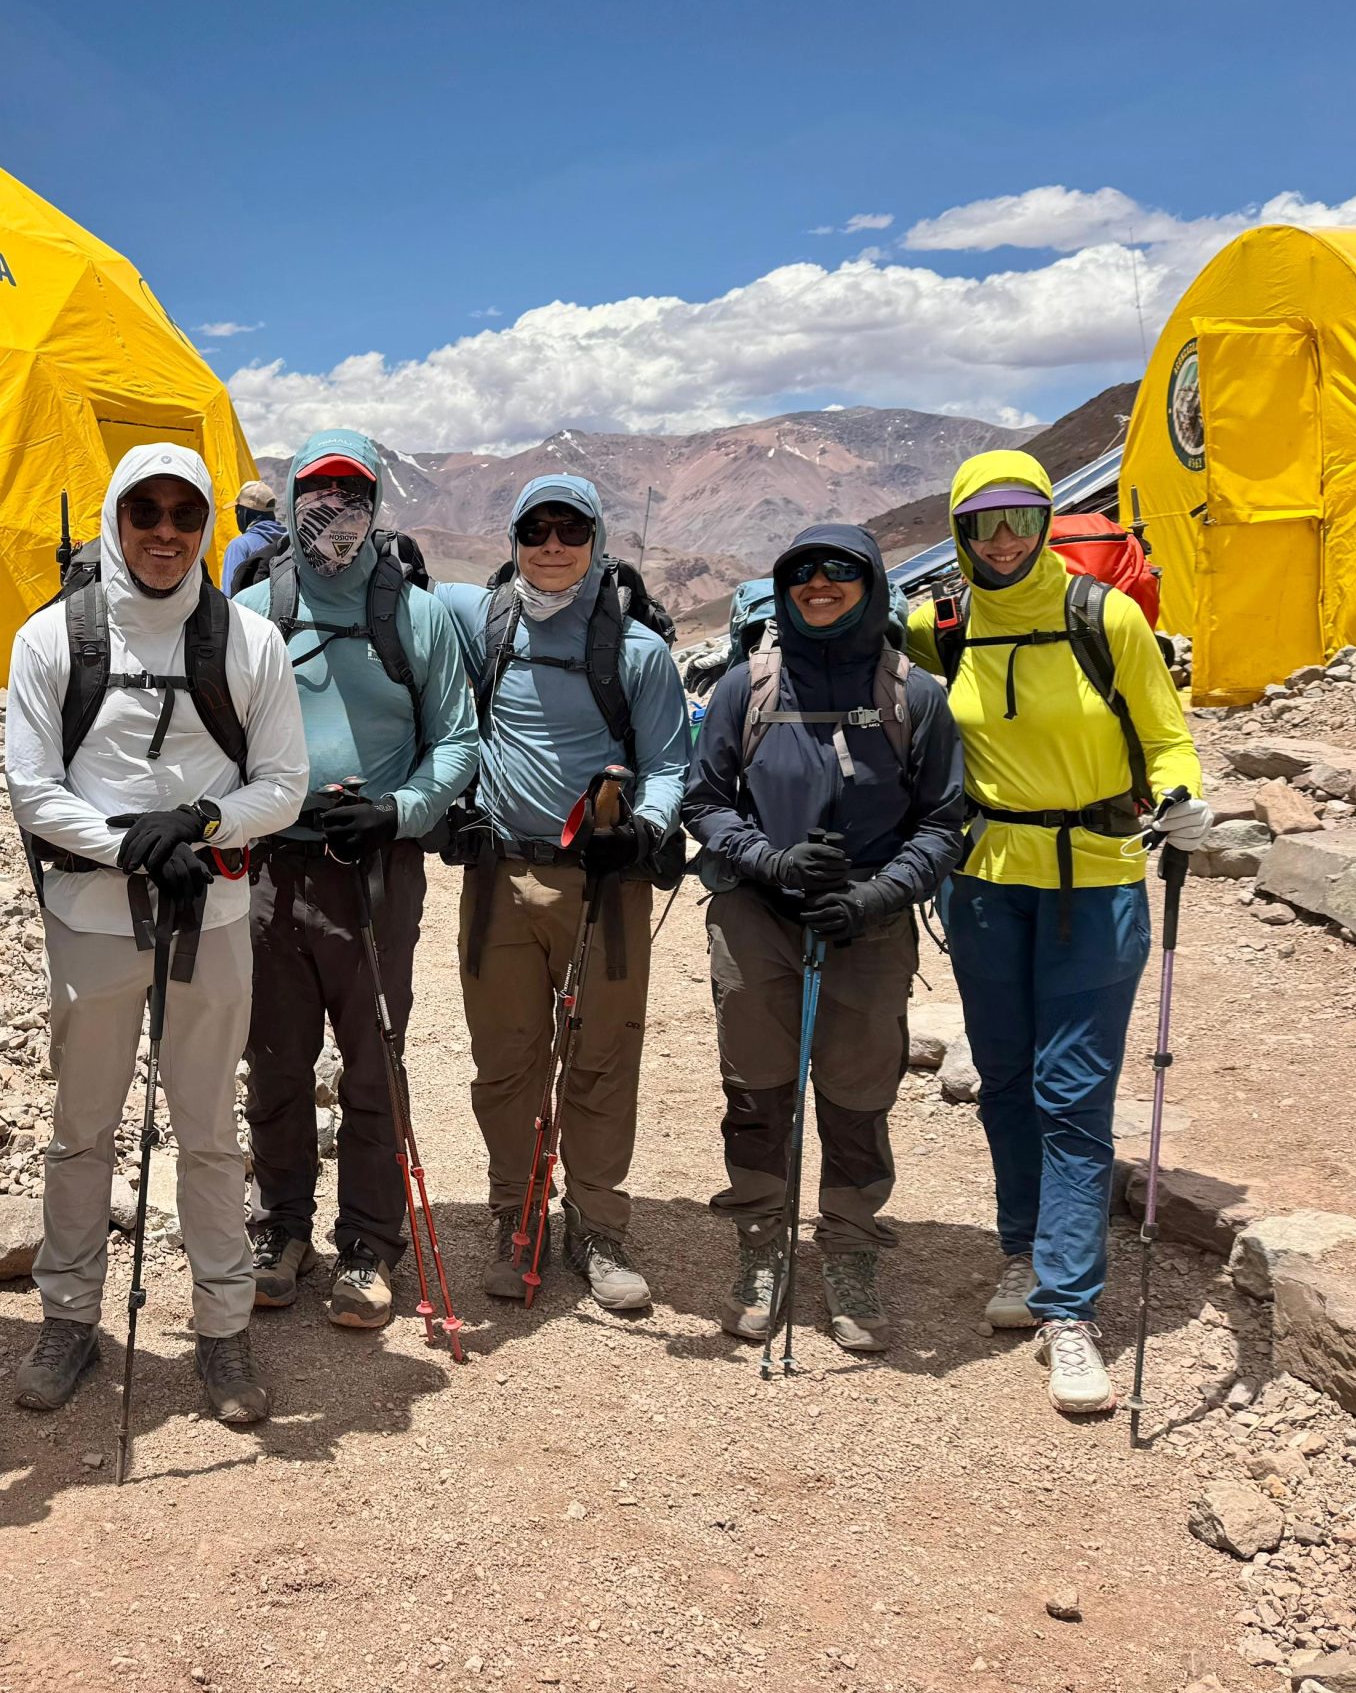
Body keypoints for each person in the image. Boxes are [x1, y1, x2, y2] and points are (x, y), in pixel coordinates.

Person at [3, 445, 308, 1421]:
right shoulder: (51, 639)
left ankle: (223, 1331)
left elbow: (284, 786)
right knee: (81, 1128)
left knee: (210, 1132)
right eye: (147, 512)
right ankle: (68, 1319)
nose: (165, 532)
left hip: (210, 915)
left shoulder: (250, 642)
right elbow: (31, 788)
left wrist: (202, 826)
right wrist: (132, 846)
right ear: (117, 519)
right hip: (91, 917)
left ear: (208, 524)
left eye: (185, 514)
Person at [903, 452, 1206, 1414]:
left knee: (1072, 1090)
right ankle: (1022, 1250)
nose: (1004, 539)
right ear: (959, 532)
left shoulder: (1104, 616)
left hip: (1099, 881)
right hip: (985, 883)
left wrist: (1183, 794)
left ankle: (1068, 1309)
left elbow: (1166, 736)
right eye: (983, 523)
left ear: (1045, 522)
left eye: (1021, 519)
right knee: (1003, 1077)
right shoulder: (940, 628)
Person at [682, 526, 964, 1351]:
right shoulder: (746, 688)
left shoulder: (916, 696)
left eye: (840, 569)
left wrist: (876, 895)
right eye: (801, 571)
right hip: (758, 914)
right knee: (757, 1092)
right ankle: (761, 1245)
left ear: (870, 583)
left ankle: (849, 1247)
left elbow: (943, 824)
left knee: (857, 1096)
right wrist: (769, 860)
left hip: (868, 924)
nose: (819, 583)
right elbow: (706, 800)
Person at [232, 430, 478, 1327]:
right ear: (294, 493)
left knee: (373, 1061)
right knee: (275, 1059)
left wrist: (399, 811)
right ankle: (281, 1229)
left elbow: (457, 740)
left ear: (377, 505)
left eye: (354, 493)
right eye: (319, 490)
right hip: (271, 869)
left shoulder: (418, 617)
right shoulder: (251, 613)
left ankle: (370, 1243)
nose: (334, 511)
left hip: (376, 869)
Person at [440, 477, 692, 1309]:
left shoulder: (638, 653)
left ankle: (598, 1228)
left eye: (570, 529)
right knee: (506, 1062)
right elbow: (395, 605)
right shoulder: (485, 622)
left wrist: (643, 827)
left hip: (604, 884)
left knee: (601, 1058)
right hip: (498, 879)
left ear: (596, 540)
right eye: (535, 530)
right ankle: (517, 1218)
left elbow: (669, 764)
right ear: (512, 538)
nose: (552, 546)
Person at [218, 477, 286, 592]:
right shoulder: (288, 540)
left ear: (244, 512)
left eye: (237, 511)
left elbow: (230, 595)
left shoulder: (240, 546)